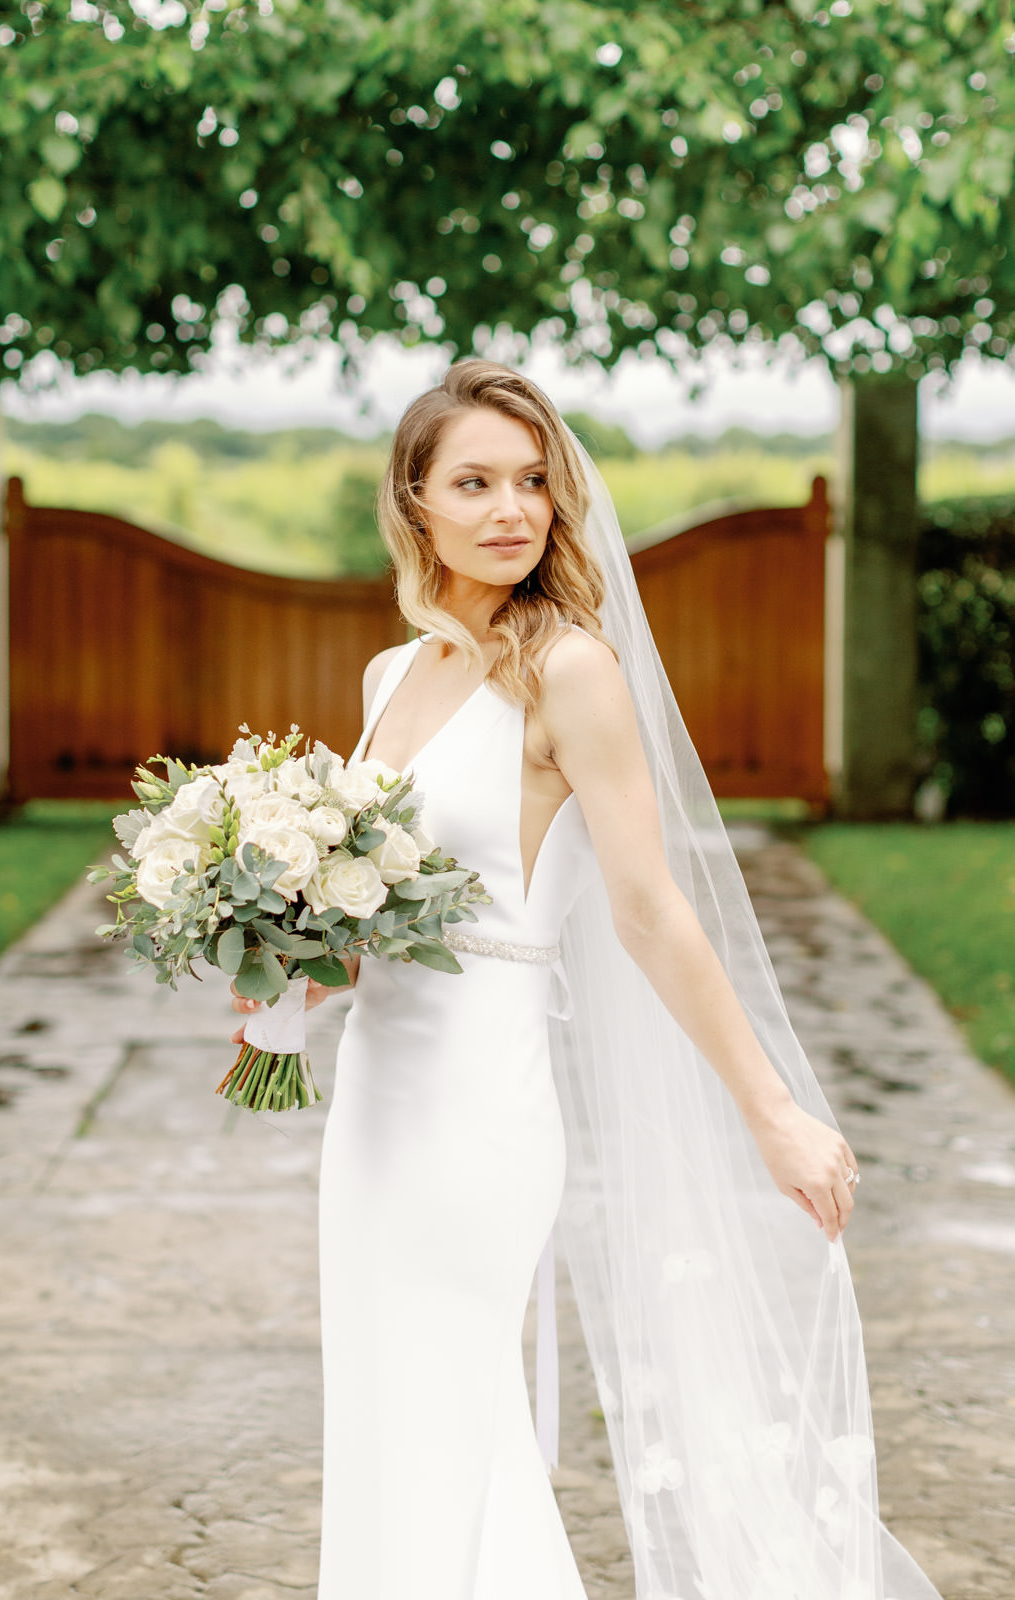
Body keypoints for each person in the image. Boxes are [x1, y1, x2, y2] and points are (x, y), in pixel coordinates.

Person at [231, 359, 944, 1600]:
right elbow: (380, 921)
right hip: (376, 1108)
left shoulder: (569, 670)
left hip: (482, 1109)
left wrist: (770, 1109)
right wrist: (283, 980)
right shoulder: (389, 679)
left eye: (532, 482)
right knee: (391, 1410)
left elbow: (649, 908)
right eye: (475, 481)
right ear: (414, 501)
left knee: (457, 1407)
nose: (512, 508)